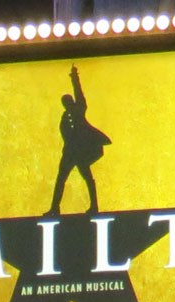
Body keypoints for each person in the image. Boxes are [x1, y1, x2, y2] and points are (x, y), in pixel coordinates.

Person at [49, 65, 111, 216]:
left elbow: (79, 92)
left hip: (81, 152)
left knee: (88, 178)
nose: (67, 104)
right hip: (70, 153)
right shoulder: (64, 118)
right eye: (65, 103)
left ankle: (94, 206)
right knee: (61, 179)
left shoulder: (79, 109)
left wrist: (74, 77)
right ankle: (55, 208)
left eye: (68, 101)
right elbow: (64, 134)